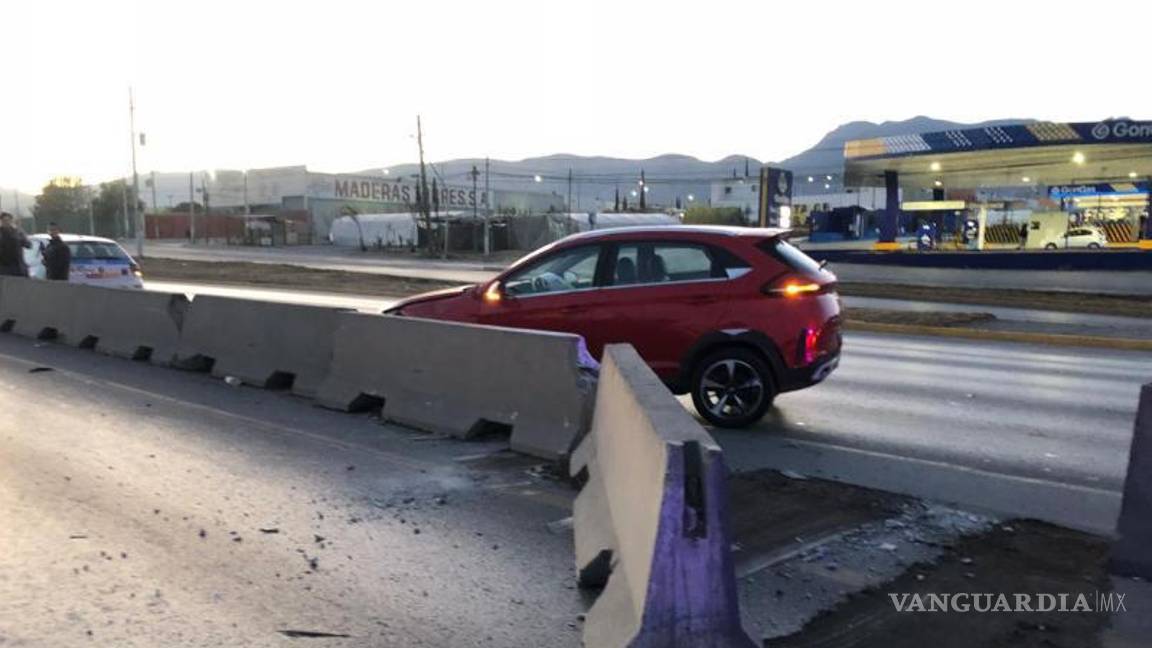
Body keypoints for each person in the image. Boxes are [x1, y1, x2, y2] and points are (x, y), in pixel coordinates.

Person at [0, 211, 31, 277]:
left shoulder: (17, 232)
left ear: (11, 221)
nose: (6, 222)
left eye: (8, 220)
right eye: (4, 221)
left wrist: (19, 236)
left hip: (18, 268)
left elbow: (28, 245)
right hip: (4, 269)